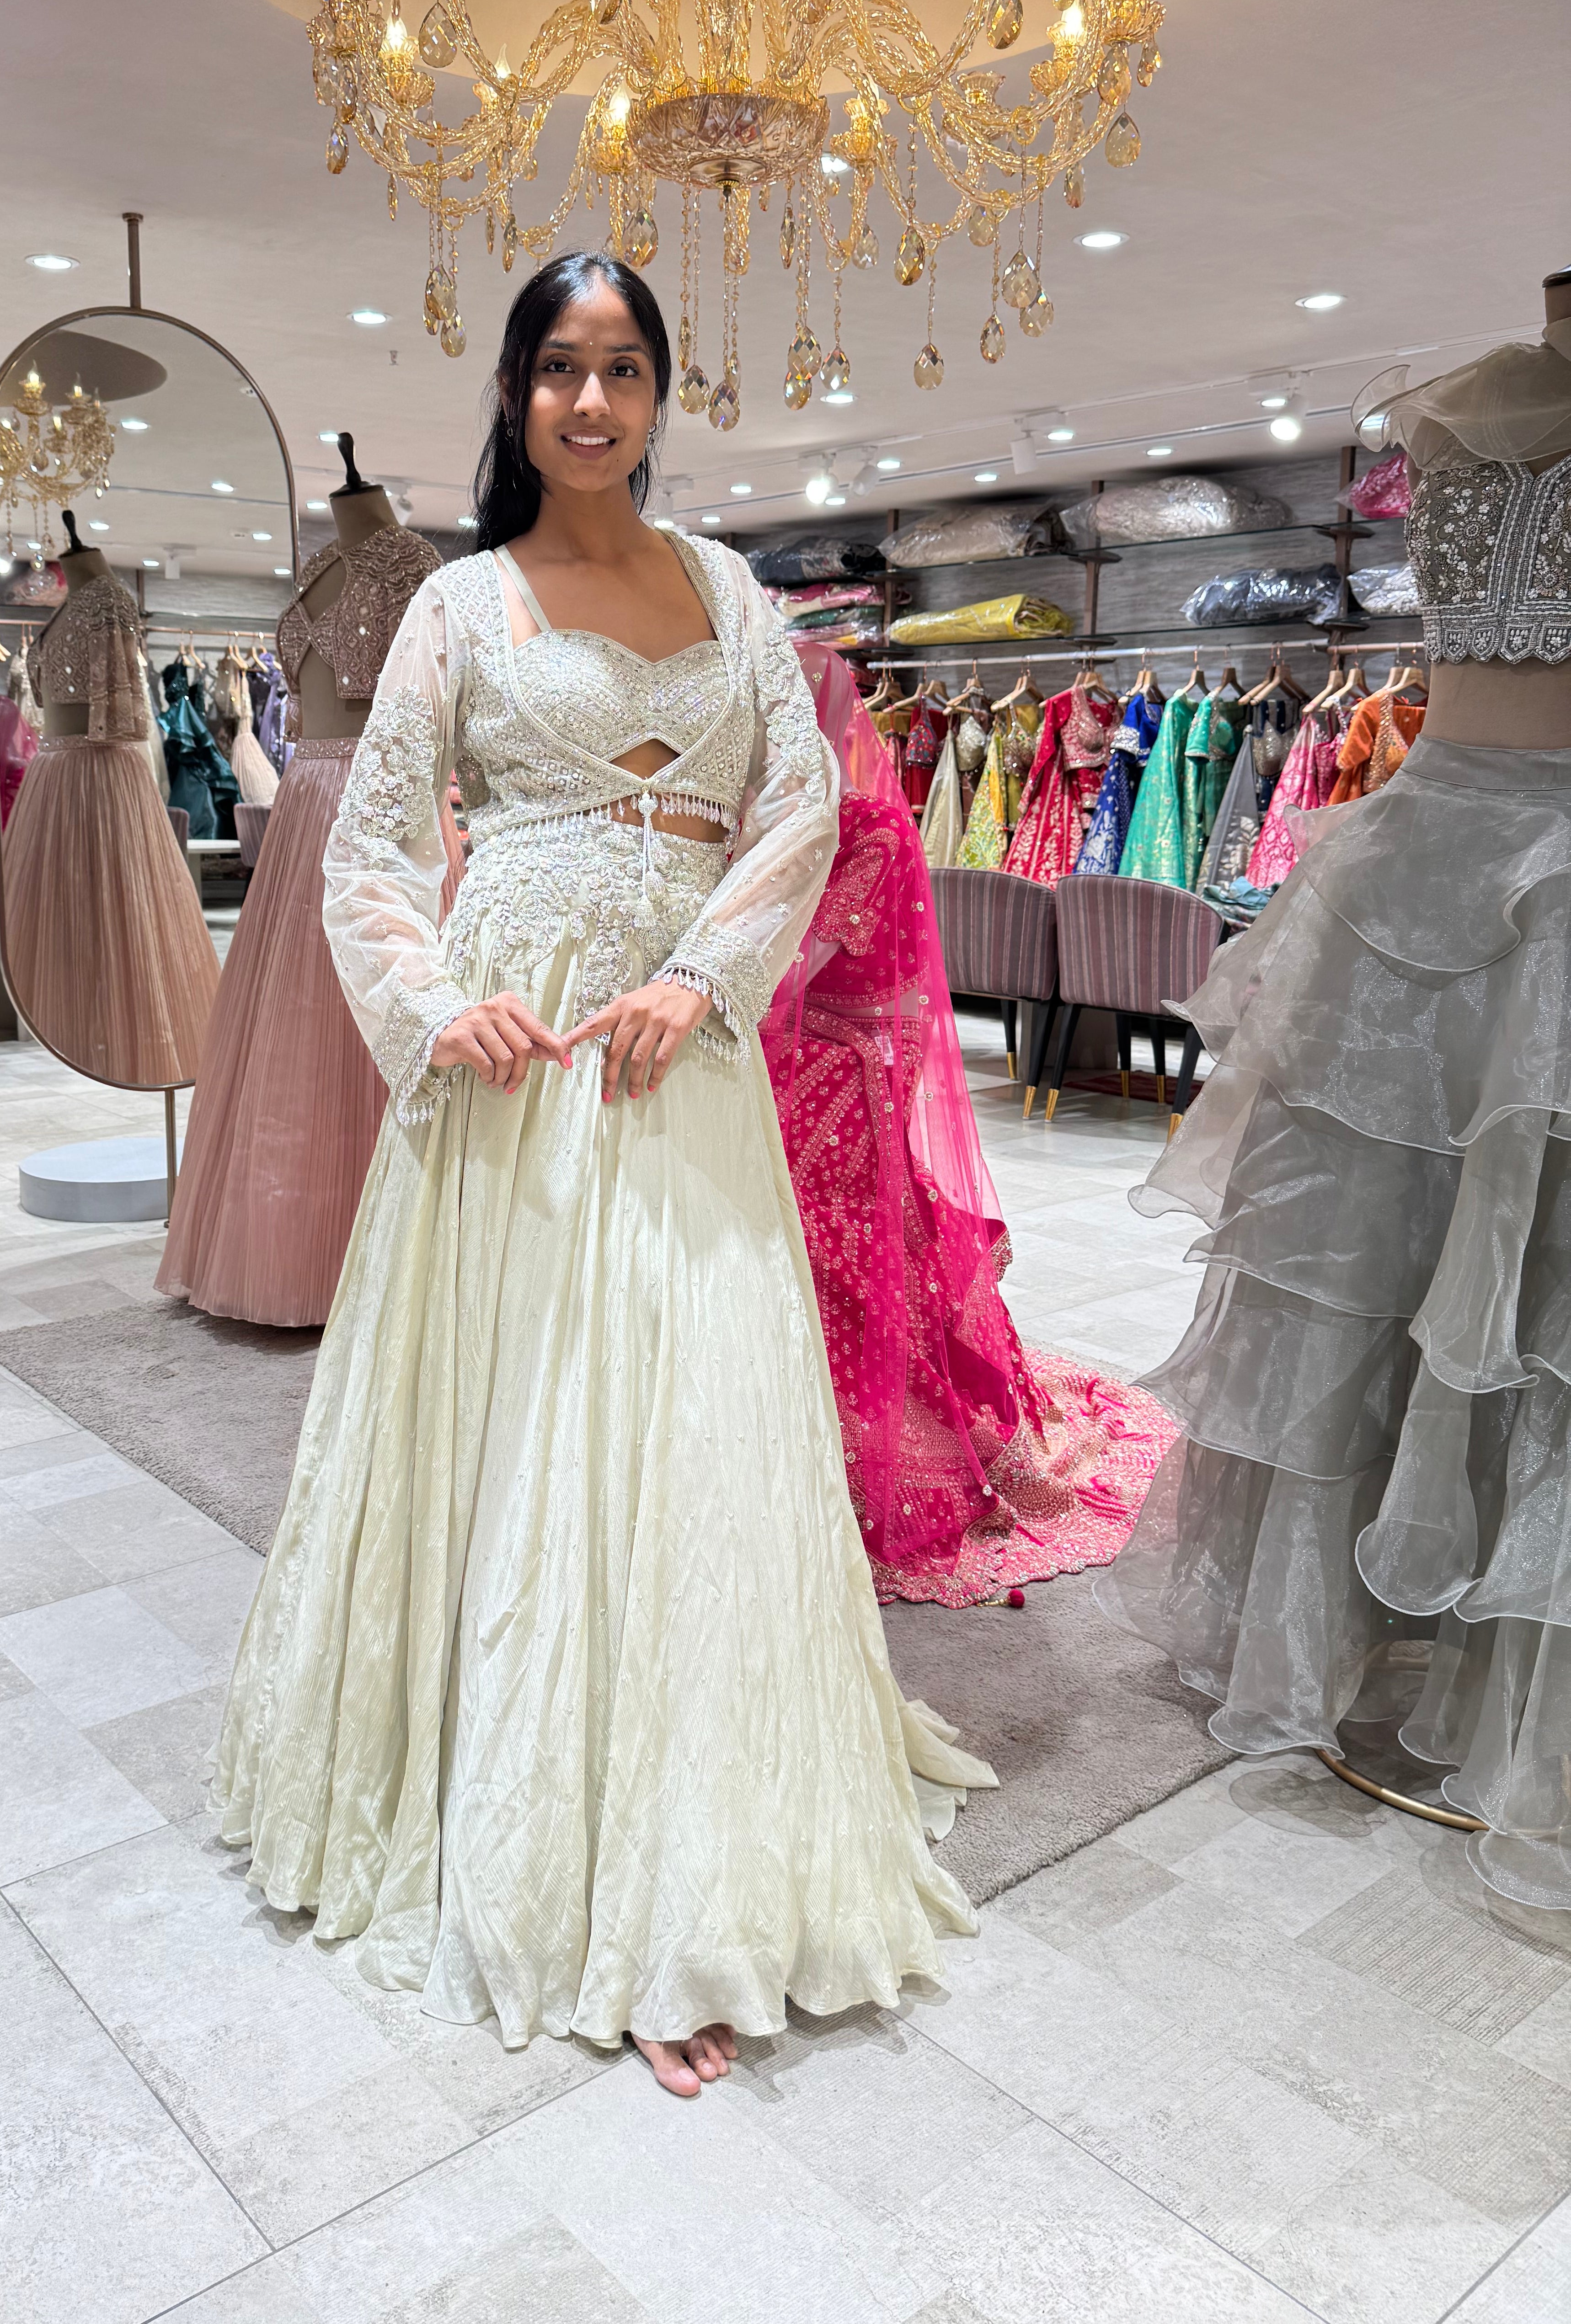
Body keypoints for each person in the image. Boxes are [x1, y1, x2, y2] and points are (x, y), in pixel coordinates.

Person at [211, 251, 996, 2096]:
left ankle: (690, 1864)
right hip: (518, 1062)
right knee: (533, 1423)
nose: (590, 400)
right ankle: (553, 1840)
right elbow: (369, 852)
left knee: (698, 1421)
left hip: (677, 1051)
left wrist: (703, 977)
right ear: (515, 393)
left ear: (660, 394)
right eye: (559, 367)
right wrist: (432, 1004)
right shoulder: (457, 603)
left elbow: (796, 804)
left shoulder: (728, 589)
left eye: (624, 367)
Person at [1101, 280, 1571, 1904]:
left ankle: (1498, 1663)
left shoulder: (1446, 417)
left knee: (1530, 1287)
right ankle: (1327, 1637)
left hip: (1514, 878)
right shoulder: (1444, 411)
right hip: (1424, 857)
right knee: (1353, 1268)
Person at [765, 646, 1174, 1607]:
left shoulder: (868, 825)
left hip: (845, 1048)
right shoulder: (765, 822)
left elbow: (797, 963)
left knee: (832, 1232)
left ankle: (864, 1441)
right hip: (776, 1037)